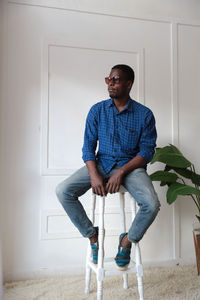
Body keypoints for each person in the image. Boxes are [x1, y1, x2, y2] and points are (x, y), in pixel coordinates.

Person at [56, 64, 160, 270]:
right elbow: (88, 147)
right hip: (101, 164)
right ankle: (93, 236)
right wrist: (94, 175)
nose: (110, 83)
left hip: (131, 168)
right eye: (108, 79)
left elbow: (147, 152)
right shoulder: (97, 110)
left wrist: (121, 172)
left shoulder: (144, 114)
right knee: (63, 190)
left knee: (151, 203)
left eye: (116, 80)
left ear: (129, 84)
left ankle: (126, 241)